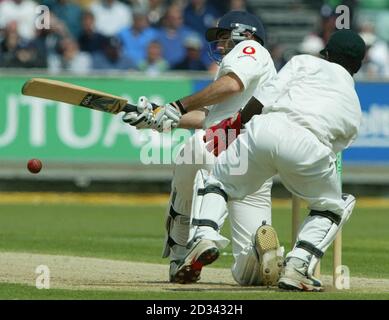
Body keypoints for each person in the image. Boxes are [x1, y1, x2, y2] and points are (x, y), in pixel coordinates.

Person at [172, 29, 365, 291]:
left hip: (266, 129)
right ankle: (297, 267)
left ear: (326, 54)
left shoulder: (303, 62)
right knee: (331, 207)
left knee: (218, 182)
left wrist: (232, 127)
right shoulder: (354, 106)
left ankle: (204, 235)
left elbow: (260, 100)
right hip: (310, 148)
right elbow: (333, 153)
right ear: (358, 65)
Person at [123, 11, 283, 286]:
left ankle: (193, 246)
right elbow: (205, 117)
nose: (220, 45)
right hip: (254, 161)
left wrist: (177, 106)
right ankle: (260, 254)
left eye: (223, 37)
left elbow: (231, 85)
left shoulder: (250, 49)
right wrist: (156, 117)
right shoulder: (256, 70)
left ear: (246, 34)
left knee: (184, 193)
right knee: (251, 275)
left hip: (216, 145)